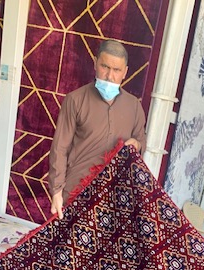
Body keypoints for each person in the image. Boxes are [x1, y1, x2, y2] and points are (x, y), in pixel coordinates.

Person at [48, 39, 147, 219]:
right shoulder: (75, 100)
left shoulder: (134, 106)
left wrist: (137, 144)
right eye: (105, 67)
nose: (109, 76)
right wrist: (56, 191)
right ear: (95, 64)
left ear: (125, 72)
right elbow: (59, 148)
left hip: (114, 196)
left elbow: (141, 141)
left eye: (116, 70)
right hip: (76, 189)